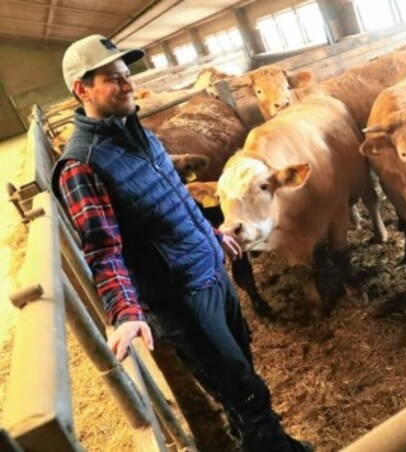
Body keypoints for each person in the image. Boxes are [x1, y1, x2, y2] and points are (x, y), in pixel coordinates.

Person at [52, 34, 312, 452]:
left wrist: (211, 235)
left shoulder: (141, 136)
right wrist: (125, 310)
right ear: (82, 90)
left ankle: (252, 439)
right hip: (181, 295)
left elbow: (178, 200)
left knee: (239, 368)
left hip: (209, 270)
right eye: (111, 79)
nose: (127, 84)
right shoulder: (81, 165)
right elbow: (102, 249)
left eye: (126, 75)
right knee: (241, 386)